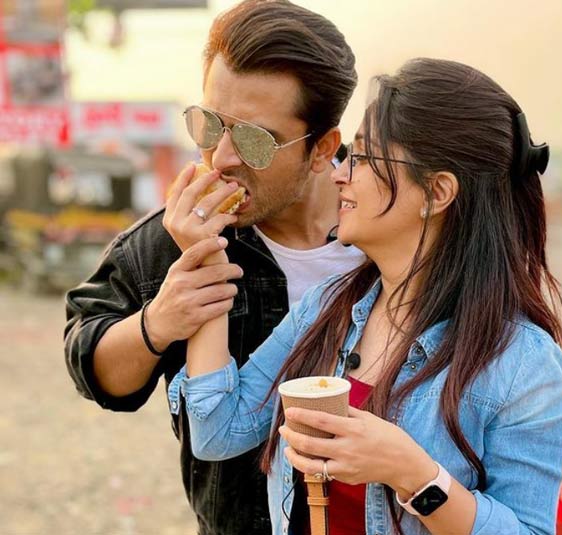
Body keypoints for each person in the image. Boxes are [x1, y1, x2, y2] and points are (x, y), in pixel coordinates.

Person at [168, 58, 562, 535]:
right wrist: (205, 255)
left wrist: (413, 473)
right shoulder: (328, 308)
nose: (339, 174)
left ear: (437, 192)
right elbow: (217, 430)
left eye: (364, 158)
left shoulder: (520, 363)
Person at [63, 1, 362, 534]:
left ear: (322, 149)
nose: (221, 157)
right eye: (211, 125)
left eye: (254, 140)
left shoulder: (390, 222)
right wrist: (158, 323)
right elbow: (92, 365)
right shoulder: (166, 241)